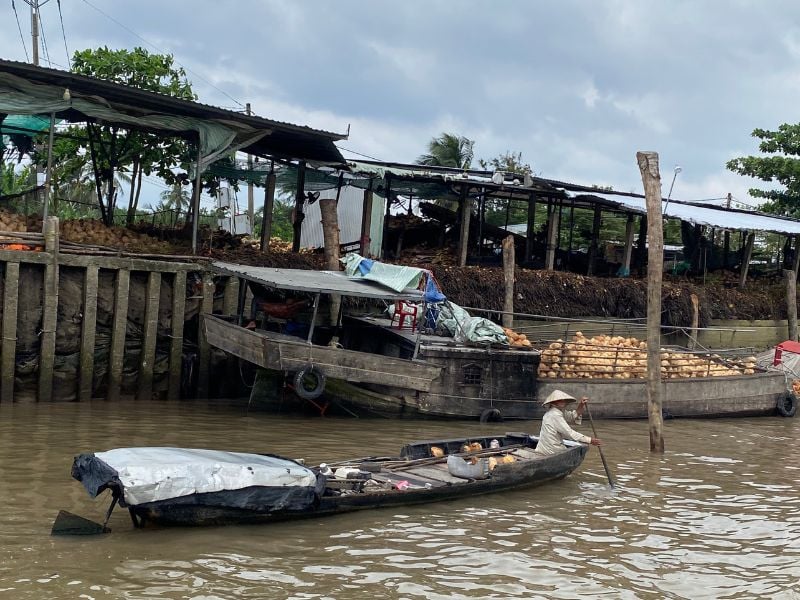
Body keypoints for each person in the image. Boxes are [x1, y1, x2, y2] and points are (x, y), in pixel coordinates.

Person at [534, 390, 602, 455]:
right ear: (554, 402)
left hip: (547, 447)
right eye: (560, 400)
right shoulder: (554, 415)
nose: (563, 401)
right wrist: (590, 440)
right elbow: (569, 433)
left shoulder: (559, 412)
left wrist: (581, 404)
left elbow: (573, 416)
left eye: (563, 400)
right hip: (551, 449)